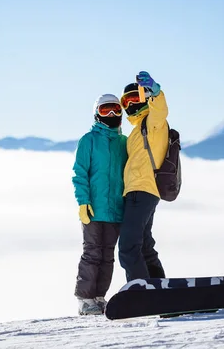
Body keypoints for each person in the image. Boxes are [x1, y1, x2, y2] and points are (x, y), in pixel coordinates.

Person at [72, 93, 128, 315]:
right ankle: (85, 300)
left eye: (115, 109)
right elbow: (79, 173)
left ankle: (98, 297)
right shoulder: (89, 140)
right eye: (106, 110)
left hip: (116, 210)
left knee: (107, 255)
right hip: (94, 209)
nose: (112, 114)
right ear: (97, 114)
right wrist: (83, 202)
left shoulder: (124, 143)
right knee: (92, 253)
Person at [118, 71, 168, 282]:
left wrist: (155, 91)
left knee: (128, 246)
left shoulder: (152, 123)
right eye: (125, 101)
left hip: (142, 190)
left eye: (134, 98)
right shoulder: (137, 129)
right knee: (145, 245)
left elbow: (161, 111)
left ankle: (140, 290)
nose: (130, 104)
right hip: (140, 192)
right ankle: (158, 287)